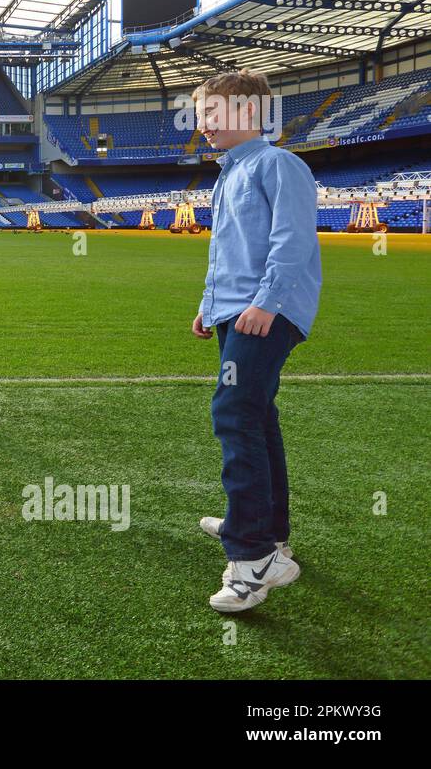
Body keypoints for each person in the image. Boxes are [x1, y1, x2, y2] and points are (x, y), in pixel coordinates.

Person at [190, 69, 322, 612]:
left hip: (267, 311)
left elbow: (292, 240)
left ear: (247, 112)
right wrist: (208, 304)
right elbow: (227, 250)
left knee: (235, 412)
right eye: (199, 116)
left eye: (210, 115)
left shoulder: (278, 164)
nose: (202, 127)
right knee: (257, 415)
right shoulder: (230, 172)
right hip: (235, 311)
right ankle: (268, 530)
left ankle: (251, 559)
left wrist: (267, 303)